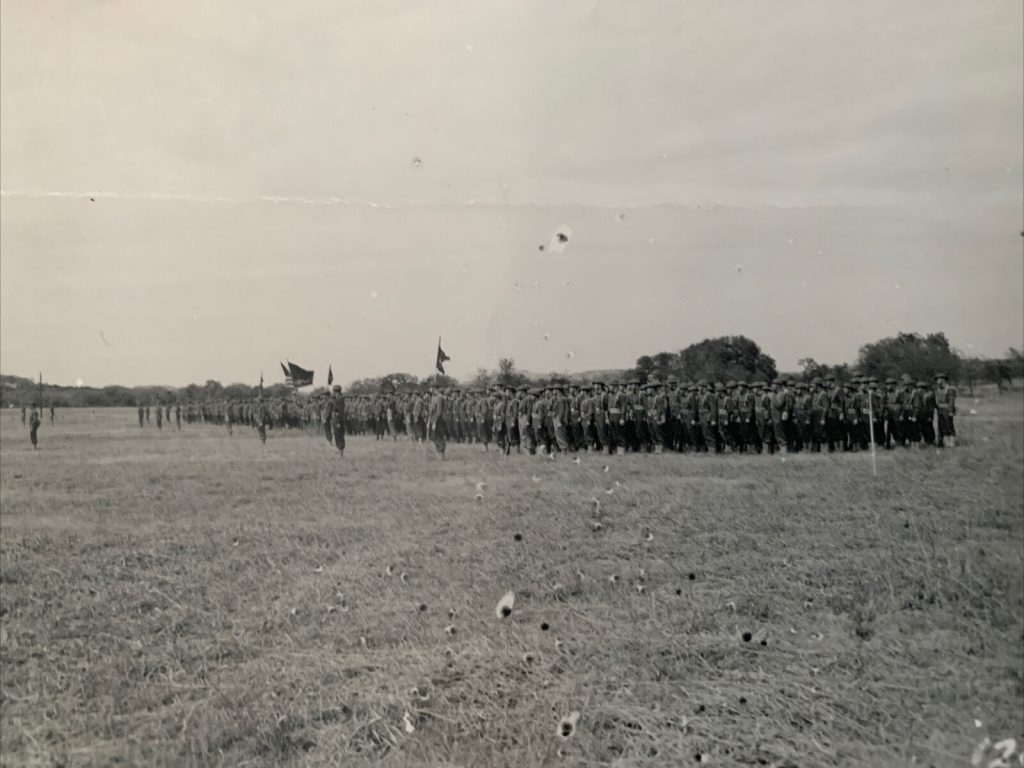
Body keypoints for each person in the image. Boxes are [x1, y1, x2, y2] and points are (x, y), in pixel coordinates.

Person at [935, 373, 957, 447]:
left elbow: (951, 401)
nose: (937, 382)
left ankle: (951, 442)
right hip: (940, 410)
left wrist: (951, 411)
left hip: (947, 410)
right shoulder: (938, 389)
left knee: (949, 426)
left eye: (938, 380)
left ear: (943, 380)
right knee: (942, 426)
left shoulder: (950, 389)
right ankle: (944, 442)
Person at [428, 385, 447, 458]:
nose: (430, 390)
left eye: (431, 388)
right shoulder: (434, 398)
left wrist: (435, 422)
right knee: (434, 436)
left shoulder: (439, 398)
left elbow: (439, 412)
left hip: (439, 420)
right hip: (433, 419)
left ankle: (441, 454)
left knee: (439, 436)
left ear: (435, 388)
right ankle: (438, 452)